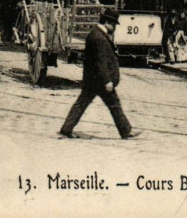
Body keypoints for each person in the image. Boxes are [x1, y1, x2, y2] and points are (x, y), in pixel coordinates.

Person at [60, 9, 140, 140]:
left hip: (93, 79)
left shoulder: (96, 34)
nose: (114, 28)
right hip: (99, 80)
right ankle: (126, 131)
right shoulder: (98, 37)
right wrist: (107, 80)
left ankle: (66, 128)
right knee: (113, 104)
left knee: (82, 103)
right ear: (107, 22)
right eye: (114, 24)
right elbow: (100, 62)